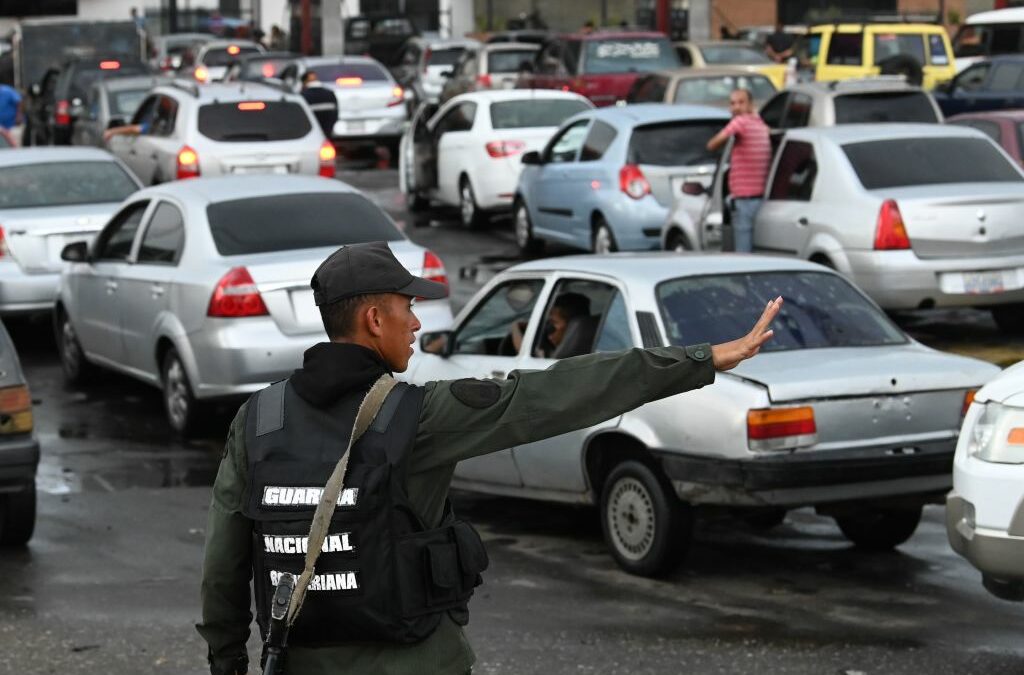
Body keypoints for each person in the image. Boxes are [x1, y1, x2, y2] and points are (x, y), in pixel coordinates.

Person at [197, 241, 782, 675]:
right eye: (407, 306)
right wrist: (700, 360)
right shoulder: (418, 415)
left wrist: (227, 662)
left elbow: (223, 564)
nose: (418, 320)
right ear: (374, 320)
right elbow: (554, 394)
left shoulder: (259, 420)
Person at [706, 88, 771, 253]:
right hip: (761, 199)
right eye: (732, 103)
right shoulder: (761, 124)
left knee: (743, 253)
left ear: (750, 104)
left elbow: (712, 144)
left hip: (744, 200)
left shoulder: (740, 122)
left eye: (741, 102)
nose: (736, 107)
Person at [510, 292, 590, 357]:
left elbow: (524, 352)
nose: (548, 328)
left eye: (553, 322)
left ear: (573, 326)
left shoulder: (565, 355)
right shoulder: (591, 347)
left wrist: (515, 326)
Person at [300, 70, 338, 139]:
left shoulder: (303, 96)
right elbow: (335, 114)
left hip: (310, 135)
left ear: (304, 82)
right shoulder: (330, 94)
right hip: (328, 132)